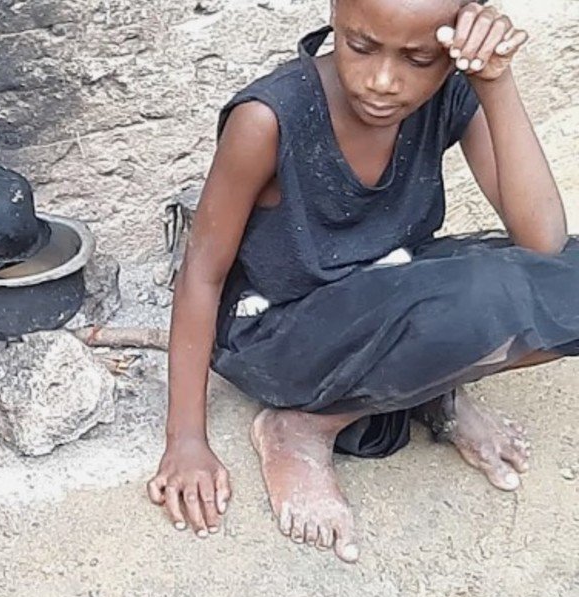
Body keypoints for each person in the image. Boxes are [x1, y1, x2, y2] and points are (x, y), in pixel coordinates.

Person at [149, 0, 578, 562]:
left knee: (562, 283)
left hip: (386, 288)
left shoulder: (453, 91)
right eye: (361, 46)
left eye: (419, 58)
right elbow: (203, 275)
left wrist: (494, 83)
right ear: (334, 13)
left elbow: (543, 243)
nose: (382, 81)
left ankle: (430, 390)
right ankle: (302, 426)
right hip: (280, 334)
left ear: (452, 48)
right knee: (482, 298)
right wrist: (185, 438)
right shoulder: (270, 117)